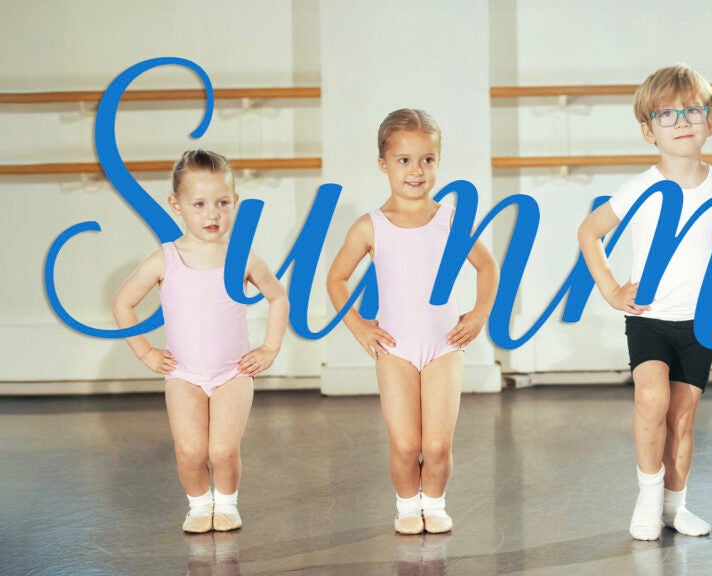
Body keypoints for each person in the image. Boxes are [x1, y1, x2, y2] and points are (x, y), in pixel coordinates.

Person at [578, 64, 712, 540]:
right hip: (649, 319)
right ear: (648, 131)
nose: (682, 121)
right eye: (667, 114)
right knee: (651, 400)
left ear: (710, 121)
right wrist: (609, 289)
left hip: (700, 325)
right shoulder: (641, 188)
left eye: (692, 111)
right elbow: (590, 231)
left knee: (682, 418)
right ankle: (647, 497)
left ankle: (675, 506)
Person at [326, 109, 499, 535]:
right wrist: (361, 327)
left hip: (444, 346)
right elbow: (335, 279)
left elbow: (488, 267)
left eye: (427, 159)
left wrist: (478, 314)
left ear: (438, 162)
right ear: (383, 164)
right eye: (404, 160)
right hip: (395, 350)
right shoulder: (371, 226)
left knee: (437, 445)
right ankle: (407, 505)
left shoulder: (451, 220)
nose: (416, 170)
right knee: (405, 445)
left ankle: (434, 504)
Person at [112, 149, 289, 533]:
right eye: (200, 204)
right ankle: (198, 505)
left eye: (222, 203)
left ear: (235, 203)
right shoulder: (165, 259)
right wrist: (145, 351)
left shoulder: (242, 257)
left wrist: (269, 347)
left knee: (222, 450)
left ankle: (225, 504)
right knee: (191, 450)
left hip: (233, 372)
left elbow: (278, 296)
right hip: (184, 374)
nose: (212, 214)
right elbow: (123, 303)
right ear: (176, 205)